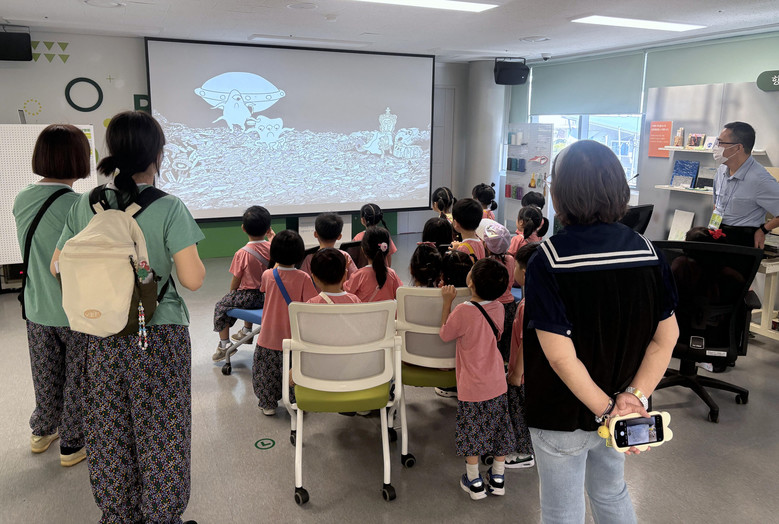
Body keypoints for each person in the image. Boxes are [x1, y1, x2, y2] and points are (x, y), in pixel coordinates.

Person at [53, 111, 205, 524]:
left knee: (109, 429)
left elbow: (56, 265)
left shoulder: (85, 204)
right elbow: (193, 279)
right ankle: (161, 515)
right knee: (162, 431)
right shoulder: (169, 207)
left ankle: (118, 514)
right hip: (156, 334)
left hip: (99, 333)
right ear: (157, 154)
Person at [523, 140, 679, 524]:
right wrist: (632, 400)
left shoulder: (549, 259)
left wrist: (607, 410)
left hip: (563, 414)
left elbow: (561, 357)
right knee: (611, 492)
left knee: (561, 510)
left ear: (558, 194)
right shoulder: (649, 253)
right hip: (623, 408)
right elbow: (666, 338)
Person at [13, 124, 91, 468]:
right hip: (74, 311)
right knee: (77, 378)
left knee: (45, 374)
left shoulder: (22, 198)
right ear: (77, 159)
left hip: (36, 306)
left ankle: (42, 431)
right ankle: (72, 444)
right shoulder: (79, 205)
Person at [439, 258, 515, 500]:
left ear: (470, 282)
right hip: (497, 382)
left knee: (471, 432)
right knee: (500, 429)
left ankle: (474, 482)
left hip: (472, 386)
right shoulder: (499, 308)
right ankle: (498, 478)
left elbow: (445, 334)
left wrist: (447, 302)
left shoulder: (463, 310)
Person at [253, 230, 318, 415]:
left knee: (267, 374)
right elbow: (310, 304)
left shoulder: (267, 275)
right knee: (293, 372)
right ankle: (296, 402)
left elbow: (264, 290)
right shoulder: (304, 278)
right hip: (294, 337)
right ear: (300, 254)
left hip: (268, 337)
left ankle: (268, 404)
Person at [212, 205, 273, 362]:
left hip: (249, 297)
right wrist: (272, 237)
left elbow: (237, 279)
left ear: (243, 228)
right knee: (246, 296)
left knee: (221, 306)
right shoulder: (273, 248)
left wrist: (231, 292)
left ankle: (224, 345)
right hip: (268, 296)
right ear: (268, 229)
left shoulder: (242, 253)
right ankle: (246, 331)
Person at [711, 121, 779, 248]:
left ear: (738, 148)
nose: (716, 146)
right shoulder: (721, 170)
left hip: (741, 239)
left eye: (720, 143)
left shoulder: (760, 179)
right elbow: (717, 202)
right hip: (716, 231)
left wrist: (763, 230)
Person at [504, 242, 540, 469]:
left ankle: (525, 453)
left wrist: (517, 373)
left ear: (524, 273)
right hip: (538, 373)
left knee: (519, 412)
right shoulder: (547, 299)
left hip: (524, 374)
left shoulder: (528, 306)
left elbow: (526, 342)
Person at [483, 222, 517, 363]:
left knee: (493, 343)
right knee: (507, 343)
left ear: (487, 245)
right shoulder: (510, 259)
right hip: (510, 305)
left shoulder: (486, 264)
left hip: (492, 307)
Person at [299, 212, 359, 286]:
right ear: (339, 236)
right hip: (341, 293)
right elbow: (356, 281)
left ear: (315, 234)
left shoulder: (310, 259)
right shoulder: (344, 256)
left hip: (316, 293)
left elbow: (302, 282)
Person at [345, 226, 402, 301]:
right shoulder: (392, 274)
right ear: (387, 250)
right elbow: (400, 294)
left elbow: (345, 294)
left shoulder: (358, 275)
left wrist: (345, 271)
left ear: (363, 250)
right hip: (388, 309)